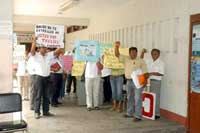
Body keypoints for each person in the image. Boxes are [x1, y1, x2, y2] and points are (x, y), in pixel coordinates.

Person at [114, 41, 148, 122]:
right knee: (130, 98)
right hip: (129, 81)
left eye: (135, 52)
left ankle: (138, 116)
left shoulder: (141, 60)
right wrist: (116, 47)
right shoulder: (126, 59)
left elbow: (145, 72)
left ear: (137, 53)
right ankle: (129, 113)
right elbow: (117, 54)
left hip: (138, 82)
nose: (134, 54)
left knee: (138, 98)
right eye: (132, 52)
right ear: (129, 53)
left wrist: (145, 81)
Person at [30, 38, 63, 119]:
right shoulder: (36, 56)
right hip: (39, 78)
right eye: (43, 47)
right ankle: (37, 112)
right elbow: (32, 51)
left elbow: (57, 51)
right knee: (38, 95)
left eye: (46, 47)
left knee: (46, 95)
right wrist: (34, 42)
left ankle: (46, 111)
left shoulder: (49, 55)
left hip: (48, 78)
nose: (45, 49)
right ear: (39, 48)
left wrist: (61, 42)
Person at [141, 48, 165, 119]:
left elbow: (161, 73)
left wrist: (151, 73)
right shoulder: (149, 60)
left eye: (155, 54)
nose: (154, 55)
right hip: (147, 81)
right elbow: (141, 60)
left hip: (156, 81)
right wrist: (142, 52)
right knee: (147, 97)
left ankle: (157, 114)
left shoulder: (161, 63)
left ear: (159, 54)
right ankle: (147, 111)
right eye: (152, 54)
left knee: (156, 97)